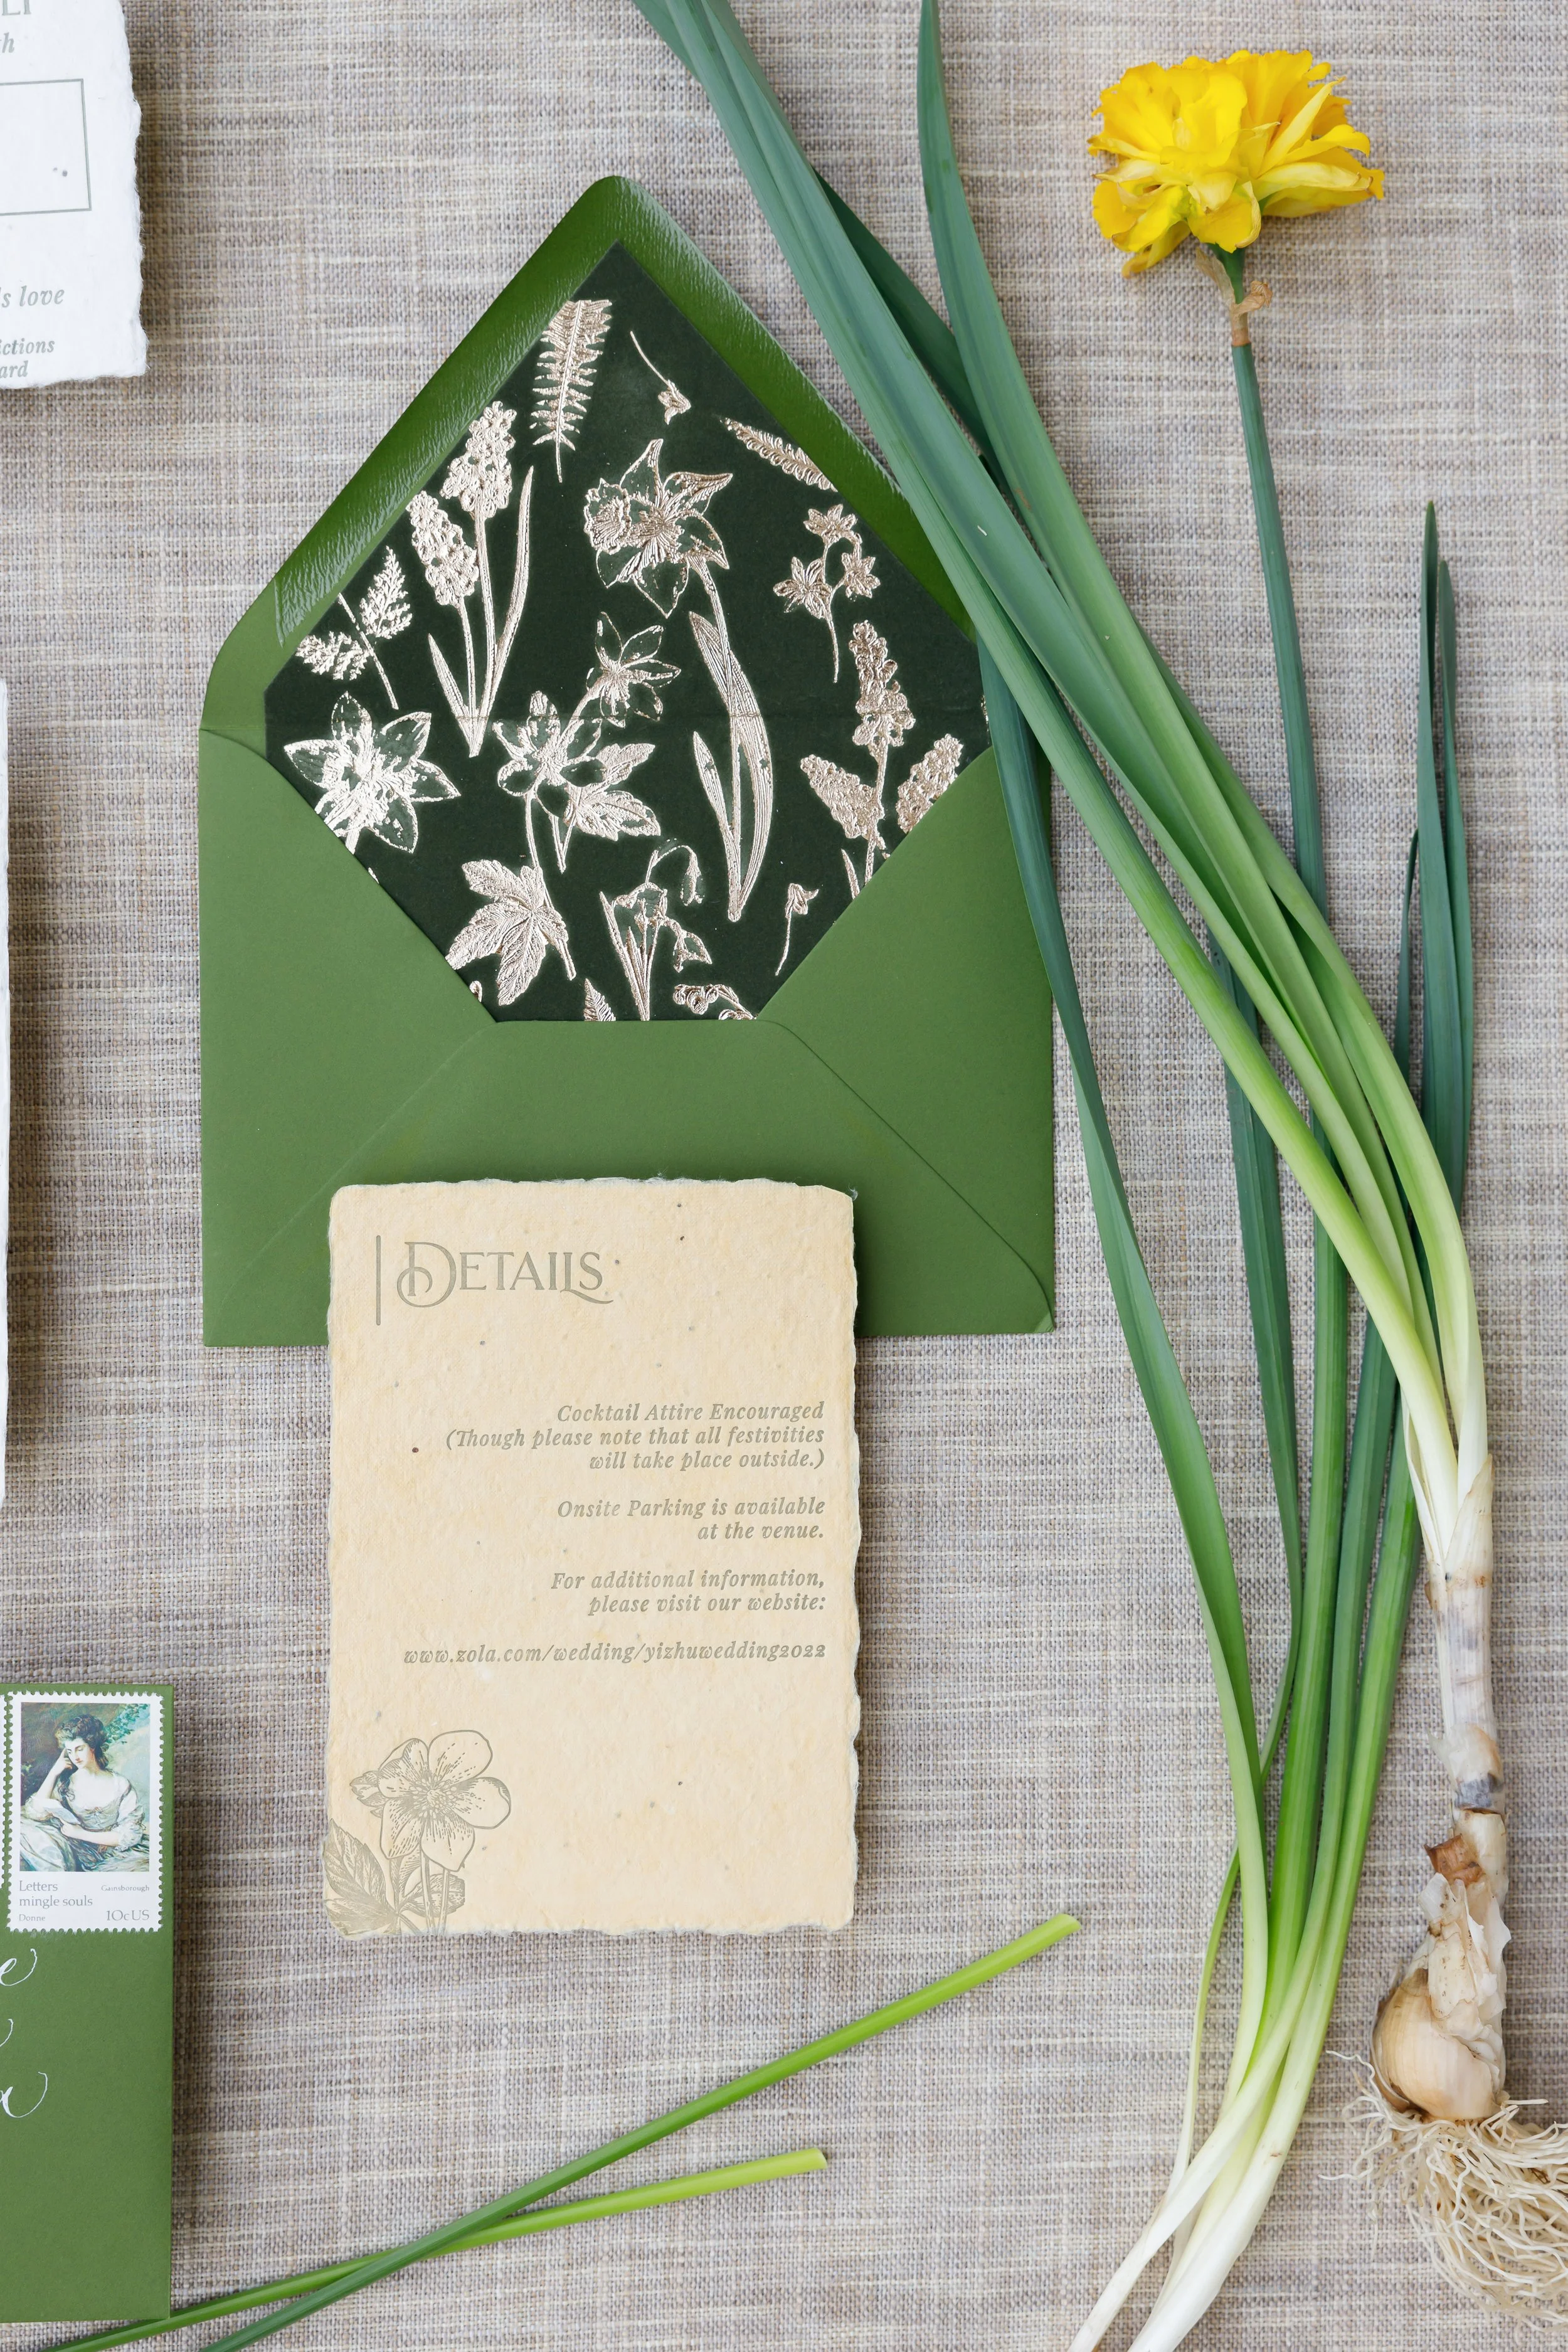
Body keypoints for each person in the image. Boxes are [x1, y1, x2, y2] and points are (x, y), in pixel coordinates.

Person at [18, 1712, 149, 1873]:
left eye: (80, 1749)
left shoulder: (120, 1783)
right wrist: (54, 1772)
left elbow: (129, 1834)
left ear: (92, 1746)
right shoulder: (66, 1784)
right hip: (81, 1855)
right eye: (70, 1751)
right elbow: (36, 1813)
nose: (75, 1757)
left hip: (118, 1852)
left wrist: (81, 1834)